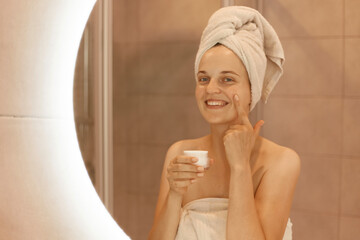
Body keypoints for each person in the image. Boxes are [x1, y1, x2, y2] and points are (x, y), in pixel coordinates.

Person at [148, 6, 301, 240]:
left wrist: (240, 168)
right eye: (203, 78)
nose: (211, 89)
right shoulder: (179, 153)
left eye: (227, 79)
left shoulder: (281, 162)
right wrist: (175, 195)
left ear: (253, 89)